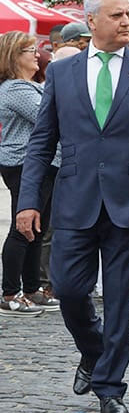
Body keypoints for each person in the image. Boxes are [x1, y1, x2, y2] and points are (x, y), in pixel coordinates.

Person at [16, 0, 129, 413]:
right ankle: (93, 351)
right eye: (117, 16)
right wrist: (28, 200)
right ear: (91, 22)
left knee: (122, 300)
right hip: (75, 201)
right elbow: (41, 141)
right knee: (68, 289)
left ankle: (110, 388)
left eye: (128, 14)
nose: (128, 22)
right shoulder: (62, 74)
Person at [0, 32, 59, 315]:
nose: (37, 54)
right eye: (30, 50)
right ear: (14, 56)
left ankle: (32, 289)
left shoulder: (30, 86)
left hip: (39, 164)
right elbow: (48, 117)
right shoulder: (15, 89)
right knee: (23, 229)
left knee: (37, 228)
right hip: (24, 163)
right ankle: (10, 292)